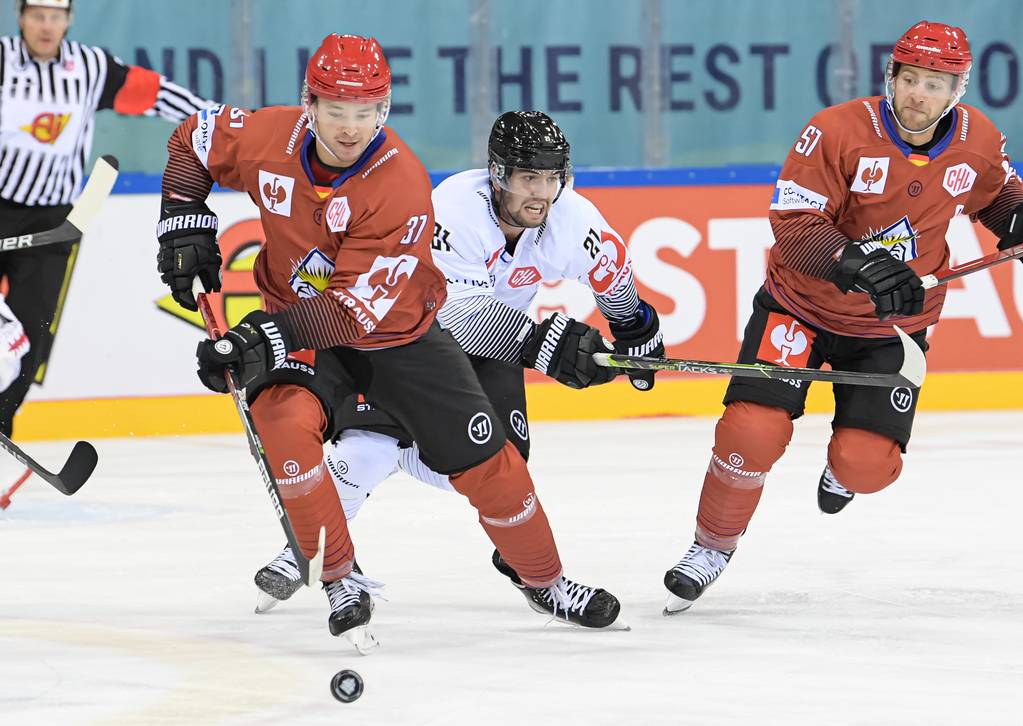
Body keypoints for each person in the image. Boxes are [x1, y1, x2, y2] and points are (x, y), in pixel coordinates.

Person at [155, 34, 623, 652]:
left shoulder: (398, 183)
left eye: (365, 112)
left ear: (385, 110)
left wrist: (262, 338)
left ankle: (546, 580)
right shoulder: (269, 138)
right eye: (336, 111)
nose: (350, 128)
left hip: (397, 336)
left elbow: (354, 313)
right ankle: (340, 576)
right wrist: (183, 222)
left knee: (492, 463)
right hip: (305, 329)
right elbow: (192, 138)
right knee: (283, 426)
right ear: (309, 104)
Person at [660, 20, 1023, 614]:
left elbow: (998, 201)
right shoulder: (834, 132)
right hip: (801, 309)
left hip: (894, 328)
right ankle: (711, 547)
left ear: (958, 90)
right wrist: (859, 265)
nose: (920, 95)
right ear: (891, 77)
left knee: (866, 467)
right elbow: (794, 230)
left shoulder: (979, 139)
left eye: (937, 84)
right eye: (910, 79)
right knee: (750, 434)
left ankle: (845, 472)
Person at [249, 110, 665, 614]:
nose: (542, 192)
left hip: (498, 348)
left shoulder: (573, 219)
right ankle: (311, 549)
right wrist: (549, 345)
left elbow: (613, 278)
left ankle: (527, 570)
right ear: (497, 174)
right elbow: (459, 316)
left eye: (553, 178)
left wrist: (637, 338)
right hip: (410, 338)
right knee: (365, 446)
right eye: (528, 177)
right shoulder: (452, 209)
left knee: (506, 464)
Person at [0, 0, 212, 437]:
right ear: (21, 17)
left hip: (52, 223)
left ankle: (2, 422)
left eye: (55, 16)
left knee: (33, 336)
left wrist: (217, 122)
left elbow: (156, 94)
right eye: (37, 16)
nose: (46, 26)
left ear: (69, 20)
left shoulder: (90, 68)